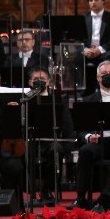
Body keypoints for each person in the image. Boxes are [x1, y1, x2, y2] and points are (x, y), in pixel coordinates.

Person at [69, 61, 110, 209]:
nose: (108, 76)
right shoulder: (88, 100)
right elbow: (80, 129)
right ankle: (81, 197)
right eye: (104, 74)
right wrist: (89, 136)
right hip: (98, 142)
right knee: (85, 151)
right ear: (98, 78)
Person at [28, 67, 74, 205]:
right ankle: (28, 191)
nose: (39, 81)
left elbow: (67, 124)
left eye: (42, 79)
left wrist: (68, 148)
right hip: (31, 141)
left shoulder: (58, 99)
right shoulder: (25, 99)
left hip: (52, 141)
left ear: (48, 81)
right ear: (30, 82)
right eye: (36, 79)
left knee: (56, 149)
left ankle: (47, 189)